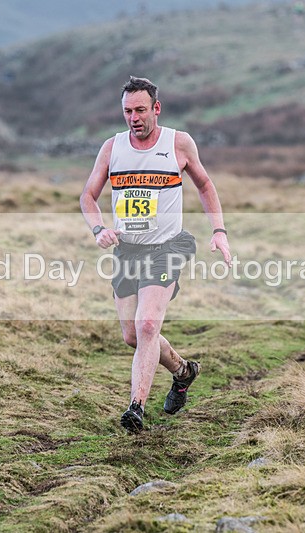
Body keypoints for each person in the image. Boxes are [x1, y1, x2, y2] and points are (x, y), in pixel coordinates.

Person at [80, 76, 232, 433]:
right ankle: (183, 371)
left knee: (148, 324)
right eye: (127, 111)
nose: (133, 117)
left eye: (140, 110)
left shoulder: (178, 143)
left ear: (156, 109)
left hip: (167, 247)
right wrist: (99, 229)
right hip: (127, 251)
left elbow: (205, 185)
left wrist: (219, 232)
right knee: (132, 336)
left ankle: (136, 407)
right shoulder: (112, 148)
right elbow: (88, 196)